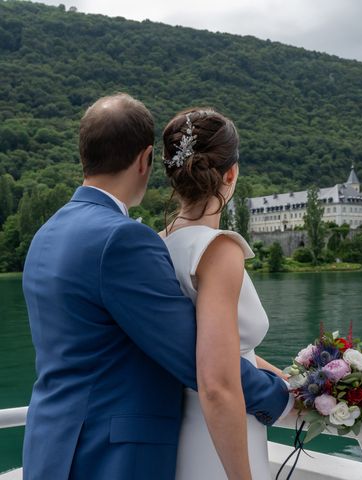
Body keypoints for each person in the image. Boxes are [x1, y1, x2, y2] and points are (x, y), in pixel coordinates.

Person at [21, 93, 291, 480]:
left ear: (84, 153)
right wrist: (288, 396)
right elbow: (200, 365)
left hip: (51, 446)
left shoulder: (46, 234)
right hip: (109, 457)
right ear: (147, 159)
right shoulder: (123, 240)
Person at [160, 108, 290, 480]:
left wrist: (297, 384)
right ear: (230, 174)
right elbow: (218, 383)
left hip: (176, 425)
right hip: (221, 434)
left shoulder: (155, 246)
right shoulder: (219, 250)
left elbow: (223, 349)